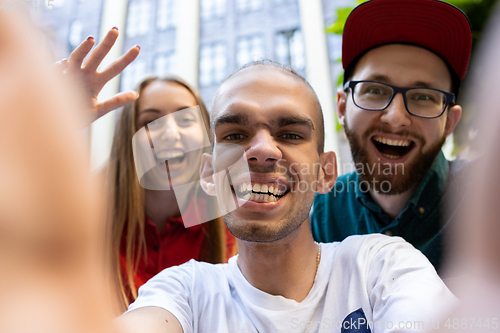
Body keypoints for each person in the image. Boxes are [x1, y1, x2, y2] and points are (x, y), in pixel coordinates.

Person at [116, 61, 456, 333]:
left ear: (326, 172)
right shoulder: (182, 292)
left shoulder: (382, 267)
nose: (262, 150)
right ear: (208, 174)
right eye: (235, 134)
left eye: (291, 134)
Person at [63, 31, 236, 308]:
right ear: (128, 139)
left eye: (184, 118)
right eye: (150, 121)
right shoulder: (86, 209)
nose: (169, 132)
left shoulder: (229, 218)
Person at [310, 0, 472, 272]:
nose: (396, 117)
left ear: (449, 122)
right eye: (374, 90)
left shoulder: (487, 204)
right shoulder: (324, 214)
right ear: (342, 108)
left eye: (423, 97)